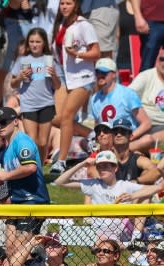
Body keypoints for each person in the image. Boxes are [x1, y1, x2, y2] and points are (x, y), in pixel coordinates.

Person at [0, 107, 50, 257]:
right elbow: (10, 179)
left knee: (19, 252)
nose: (0, 127)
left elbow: (30, 167)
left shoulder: (22, 141)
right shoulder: (7, 148)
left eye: (3, 122)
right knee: (10, 250)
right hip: (17, 203)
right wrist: (1, 185)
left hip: (33, 202)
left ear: (16, 121)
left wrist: (4, 176)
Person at [50, 0, 100, 174]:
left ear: (76, 5)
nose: (64, 6)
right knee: (55, 117)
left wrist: (77, 53)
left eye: (68, 3)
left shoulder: (84, 25)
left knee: (67, 116)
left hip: (82, 77)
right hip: (64, 76)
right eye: (62, 3)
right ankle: (90, 133)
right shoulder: (60, 23)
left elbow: (96, 52)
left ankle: (61, 161)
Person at [9, 28, 60, 162]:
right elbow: (13, 84)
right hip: (28, 104)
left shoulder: (50, 60)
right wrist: (20, 77)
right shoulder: (22, 60)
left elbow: (58, 86)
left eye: (38, 41)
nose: (34, 44)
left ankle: (40, 167)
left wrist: (54, 75)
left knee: (43, 142)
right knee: (31, 139)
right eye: (31, 41)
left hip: (46, 104)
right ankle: (33, 169)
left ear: (44, 43)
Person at [89, 58, 152, 148]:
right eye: (97, 72)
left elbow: (146, 123)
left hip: (126, 140)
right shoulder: (94, 98)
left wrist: (129, 138)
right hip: (107, 142)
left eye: (104, 73)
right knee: (83, 142)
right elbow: (98, 126)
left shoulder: (127, 94)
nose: (100, 75)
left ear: (114, 74)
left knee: (147, 139)